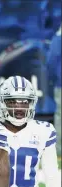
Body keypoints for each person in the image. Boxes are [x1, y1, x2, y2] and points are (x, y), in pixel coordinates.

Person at [47, 25, 61, 157]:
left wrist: (52, 79)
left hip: (60, 84)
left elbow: (51, 61)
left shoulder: (58, 40)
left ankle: (60, 150)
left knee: (60, 116)